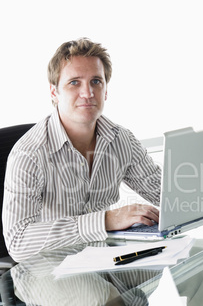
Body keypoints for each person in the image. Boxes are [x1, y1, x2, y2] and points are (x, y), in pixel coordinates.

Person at [2, 37, 161, 262]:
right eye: (74, 82)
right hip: (52, 269)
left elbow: (163, 192)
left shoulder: (120, 139)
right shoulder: (29, 154)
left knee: (201, 260)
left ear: (106, 91)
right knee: (105, 296)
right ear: (54, 93)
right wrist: (105, 220)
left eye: (96, 81)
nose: (87, 93)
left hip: (106, 258)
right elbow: (18, 241)